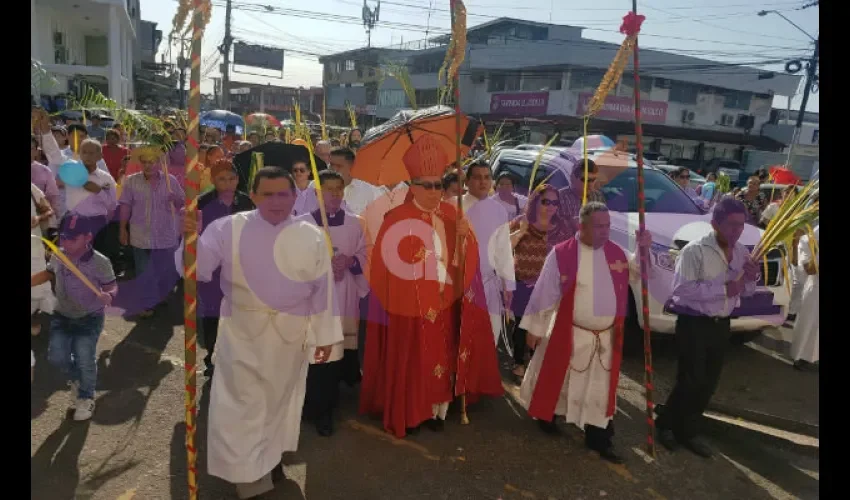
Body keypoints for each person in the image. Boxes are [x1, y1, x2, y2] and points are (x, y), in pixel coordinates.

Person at [177, 166, 341, 499]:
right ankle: (248, 481)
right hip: (242, 333)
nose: (276, 201)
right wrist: (189, 238)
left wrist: (325, 338)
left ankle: (268, 459)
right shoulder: (228, 228)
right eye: (267, 194)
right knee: (243, 405)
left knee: (278, 403)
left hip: (290, 337)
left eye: (283, 193)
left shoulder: (311, 235)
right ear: (252, 196)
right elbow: (197, 270)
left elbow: (324, 291)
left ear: (295, 196)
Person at [360, 134, 503, 438]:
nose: (435, 191)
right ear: (412, 187)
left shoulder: (453, 213)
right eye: (428, 185)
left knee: (443, 354)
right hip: (410, 306)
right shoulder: (395, 217)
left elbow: (468, 261)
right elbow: (386, 269)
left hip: (446, 300)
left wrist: (466, 237)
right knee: (415, 358)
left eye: (439, 185)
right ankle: (411, 412)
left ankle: (438, 410)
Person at [518, 202, 651, 464]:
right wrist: (534, 329)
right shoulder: (562, 254)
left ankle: (599, 437)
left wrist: (642, 248)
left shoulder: (616, 253)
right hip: (571, 333)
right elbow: (544, 294)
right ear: (582, 226)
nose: (605, 232)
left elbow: (639, 273)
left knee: (600, 391)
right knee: (561, 381)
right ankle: (548, 416)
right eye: (598, 226)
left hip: (605, 337)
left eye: (608, 226)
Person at [655, 197, 760, 458]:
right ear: (715, 224)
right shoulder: (694, 251)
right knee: (690, 379)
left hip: (720, 324)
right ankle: (667, 424)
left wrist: (751, 277)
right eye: (732, 225)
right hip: (694, 323)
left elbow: (745, 291)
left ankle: (688, 430)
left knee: (708, 383)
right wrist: (723, 289)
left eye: (741, 225)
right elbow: (681, 290)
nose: (737, 231)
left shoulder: (741, 252)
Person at [301, 170, 369, 436]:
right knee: (317, 355)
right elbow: (293, 262)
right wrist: (322, 266)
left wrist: (350, 262)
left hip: (343, 298)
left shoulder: (354, 223)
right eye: (329, 190)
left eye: (339, 189)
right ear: (317, 193)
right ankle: (315, 406)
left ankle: (328, 405)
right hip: (315, 302)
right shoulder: (303, 224)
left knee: (336, 355)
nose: (335, 195)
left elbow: (365, 253)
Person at [31, 214, 118, 421]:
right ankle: (78, 380)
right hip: (62, 316)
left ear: (88, 237)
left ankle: (86, 397)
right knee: (56, 357)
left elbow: (111, 285)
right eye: (63, 237)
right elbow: (50, 274)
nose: (66, 242)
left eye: (72, 238)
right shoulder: (58, 256)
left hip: (90, 318)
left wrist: (110, 295)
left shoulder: (100, 262)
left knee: (85, 358)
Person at [196, 159, 255, 377]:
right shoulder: (202, 204)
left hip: (241, 269)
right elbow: (196, 236)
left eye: (232, 178)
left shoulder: (247, 202)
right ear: (212, 180)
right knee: (212, 315)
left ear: (238, 179)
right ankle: (212, 356)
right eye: (222, 179)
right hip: (212, 272)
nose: (228, 183)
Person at [508, 184, 572, 377]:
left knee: (543, 327)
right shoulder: (521, 222)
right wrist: (520, 232)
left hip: (549, 289)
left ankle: (535, 366)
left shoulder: (563, 228)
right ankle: (519, 362)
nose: (551, 207)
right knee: (521, 328)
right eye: (546, 202)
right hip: (522, 285)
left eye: (555, 202)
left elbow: (569, 254)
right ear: (536, 202)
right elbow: (502, 249)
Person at [119, 147, 185, 317]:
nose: (148, 165)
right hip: (140, 234)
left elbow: (182, 204)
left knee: (166, 269)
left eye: (152, 162)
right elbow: (125, 205)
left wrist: (175, 199)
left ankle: (159, 295)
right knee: (143, 270)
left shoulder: (171, 181)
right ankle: (147, 303)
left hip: (165, 234)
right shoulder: (132, 181)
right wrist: (122, 228)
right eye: (145, 162)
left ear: (159, 163)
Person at [457, 161, 515, 345]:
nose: (483, 182)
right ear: (467, 181)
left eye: (487, 177)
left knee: (489, 337)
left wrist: (508, 285)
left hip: (489, 282)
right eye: (477, 177)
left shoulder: (499, 210)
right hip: (459, 282)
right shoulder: (453, 206)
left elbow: (504, 249)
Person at [294, 147, 383, 216]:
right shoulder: (315, 186)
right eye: (331, 165)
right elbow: (305, 215)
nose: (333, 169)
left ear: (352, 168)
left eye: (339, 166)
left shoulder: (368, 190)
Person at [790, 224, 818, 371]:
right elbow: (810, 269)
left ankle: (814, 356)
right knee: (807, 324)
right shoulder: (807, 241)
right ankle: (800, 356)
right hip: (814, 289)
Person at [557, 158, 606, 239]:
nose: (590, 184)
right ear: (572, 178)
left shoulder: (598, 197)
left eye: (593, 180)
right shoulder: (558, 199)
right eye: (585, 180)